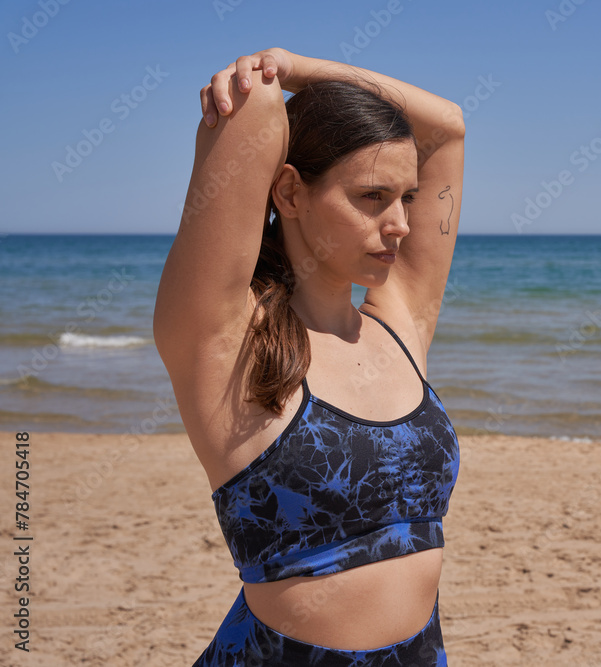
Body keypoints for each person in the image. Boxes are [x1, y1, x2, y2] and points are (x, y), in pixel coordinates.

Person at [153, 47, 464, 666]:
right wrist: (269, 80)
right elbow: (256, 106)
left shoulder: (400, 324)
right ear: (291, 192)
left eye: (407, 197)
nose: (401, 223)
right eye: (372, 196)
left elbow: (447, 127)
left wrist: (299, 66)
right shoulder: (227, 344)